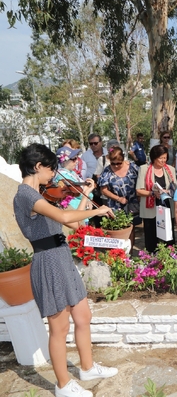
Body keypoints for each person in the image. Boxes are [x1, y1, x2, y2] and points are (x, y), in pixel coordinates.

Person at [13, 144, 117, 397]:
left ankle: (88, 368)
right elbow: (61, 218)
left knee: (83, 317)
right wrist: (98, 208)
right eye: (51, 169)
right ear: (38, 166)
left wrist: (85, 196)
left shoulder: (40, 193)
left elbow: (74, 222)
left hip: (61, 256)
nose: (54, 175)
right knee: (59, 329)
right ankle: (62, 385)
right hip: (48, 261)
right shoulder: (26, 195)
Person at [136, 144, 177, 253]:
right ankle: (151, 259)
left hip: (167, 205)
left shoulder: (171, 169)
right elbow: (138, 190)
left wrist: (168, 191)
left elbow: (175, 188)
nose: (163, 160)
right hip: (150, 207)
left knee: (168, 235)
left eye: (165, 157)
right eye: (161, 158)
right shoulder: (144, 169)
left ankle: (170, 257)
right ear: (154, 157)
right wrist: (152, 193)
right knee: (151, 235)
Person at [98, 146, 141, 248]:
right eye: (113, 163)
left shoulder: (133, 167)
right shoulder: (107, 171)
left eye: (119, 163)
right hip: (116, 204)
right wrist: (118, 198)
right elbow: (103, 190)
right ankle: (118, 253)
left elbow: (142, 180)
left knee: (131, 228)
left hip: (132, 203)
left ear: (123, 159)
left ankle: (129, 254)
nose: (116, 166)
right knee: (118, 230)